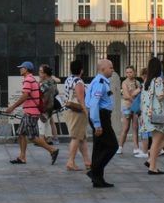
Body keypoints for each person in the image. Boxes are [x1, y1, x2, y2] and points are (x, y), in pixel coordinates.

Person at [7, 62, 59, 165]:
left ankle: (52, 150)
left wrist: (12, 107)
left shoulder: (28, 80)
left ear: (26, 69)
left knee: (32, 137)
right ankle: (22, 157)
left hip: (31, 112)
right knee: (21, 134)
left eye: (22, 68)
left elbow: (25, 96)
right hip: (30, 111)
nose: (20, 69)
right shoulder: (32, 79)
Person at [86, 58, 118, 188]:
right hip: (101, 116)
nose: (113, 69)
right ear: (103, 69)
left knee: (99, 148)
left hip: (100, 115)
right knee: (112, 146)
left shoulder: (102, 81)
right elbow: (94, 104)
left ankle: (98, 179)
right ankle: (94, 172)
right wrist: (97, 124)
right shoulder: (100, 82)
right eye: (110, 67)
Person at [138, 57, 164, 175]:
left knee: (163, 138)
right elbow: (160, 96)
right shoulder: (157, 80)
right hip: (157, 114)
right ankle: (152, 167)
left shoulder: (147, 81)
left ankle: (151, 162)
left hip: (148, 114)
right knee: (157, 141)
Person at [61, 60, 91, 172]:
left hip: (69, 110)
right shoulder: (78, 81)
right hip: (77, 112)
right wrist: (86, 111)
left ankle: (88, 162)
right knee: (76, 137)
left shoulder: (69, 79)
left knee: (81, 137)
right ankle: (70, 161)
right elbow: (80, 98)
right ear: (81, 70)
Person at [118, 66, 144, 157]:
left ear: (134, 72)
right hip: (127, 107)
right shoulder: (124, 82)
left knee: (135, 127)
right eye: (127, 72)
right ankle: (120, 147)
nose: (129, 74)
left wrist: (134, 95)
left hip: (135, 108)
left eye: (130, 72)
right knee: (125, 128)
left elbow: (139, 93)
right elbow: (126, 96)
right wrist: (134, 97)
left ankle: (136, 148)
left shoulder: (137, 82)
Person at [38, 64, 62, 141]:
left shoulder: (45, 84)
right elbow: (56, 92)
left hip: (44, 108)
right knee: (48, 123)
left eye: (41, 72)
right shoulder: (52, 81)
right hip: (50, 107)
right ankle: (49, 139)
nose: (39, 73)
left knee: (42, 126)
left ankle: (45, 143)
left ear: (45, 73)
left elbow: (38, 95)